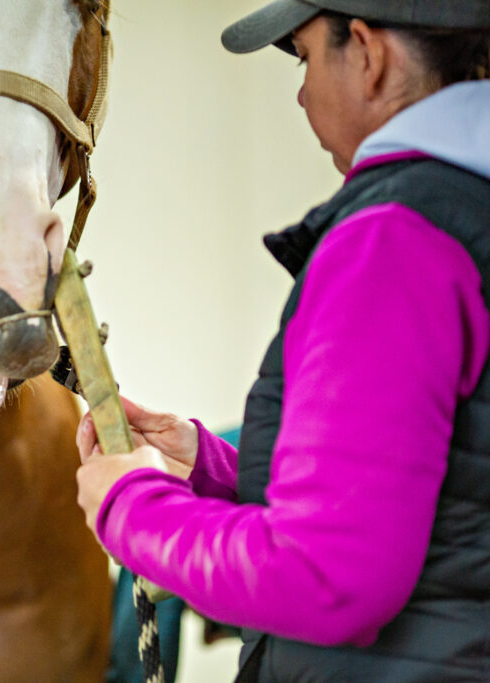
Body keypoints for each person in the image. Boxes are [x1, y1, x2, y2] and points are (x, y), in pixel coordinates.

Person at [74, 1, 490, 680]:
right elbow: (440, 509)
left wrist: (135, 509)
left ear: (366, 52)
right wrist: (207, 470)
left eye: (303, 57)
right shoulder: (463, 209)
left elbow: (328, 574)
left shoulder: (392, 242)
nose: (299, 94)